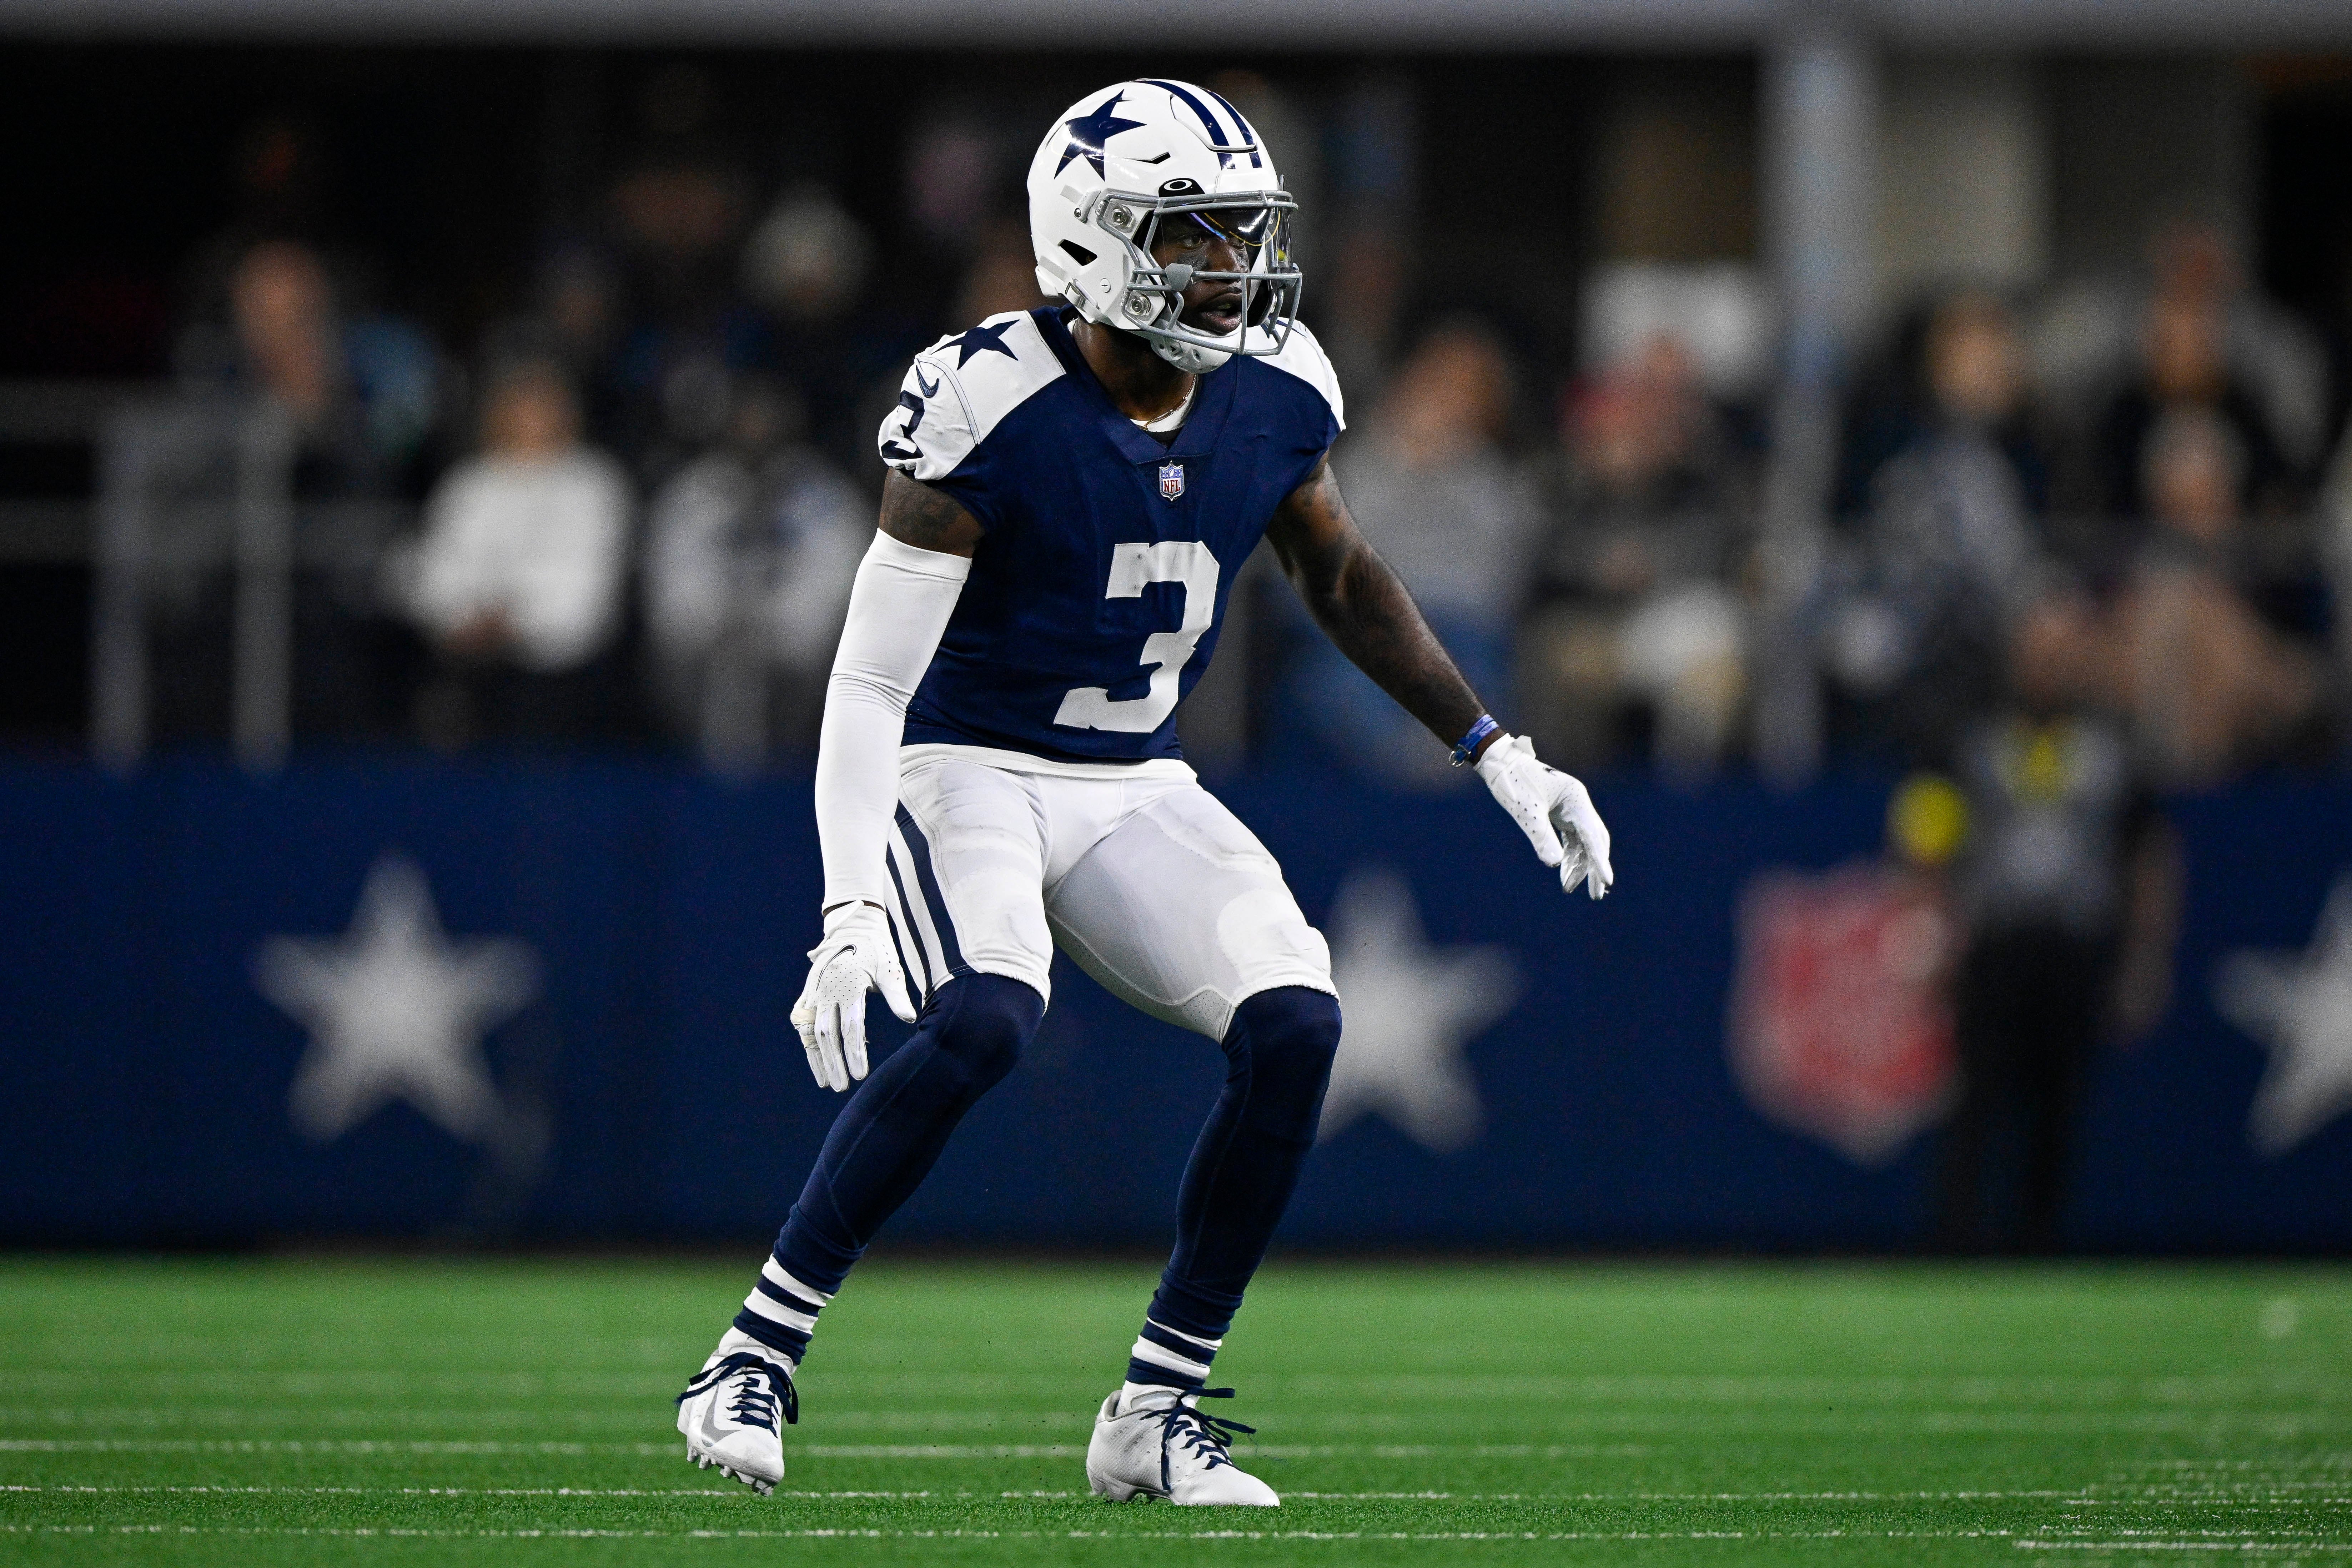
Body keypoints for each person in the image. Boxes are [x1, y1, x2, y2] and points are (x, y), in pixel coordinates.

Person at [671, 79, 1614, 1507]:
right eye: (1195, 238)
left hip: (1130, 777)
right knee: (991, 1008)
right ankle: (753, 1353)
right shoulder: (987, 397)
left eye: (1244, 236)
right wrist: (850, 894)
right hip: (967, 765)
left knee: (1299, 1023)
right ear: (1093, 243)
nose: (1233, 269)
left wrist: (1499, 750)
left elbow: (1342, 579)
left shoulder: (1281, 387)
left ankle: (1154, 1410)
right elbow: (867, 686)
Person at [404, 359, 633, 745]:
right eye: (520, 406)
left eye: (543, 406)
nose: (531, 418)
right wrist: (463, 619)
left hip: (562, 673)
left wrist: (515, 621)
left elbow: (587, 593)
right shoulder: (469, 484)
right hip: (470, 664)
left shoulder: (595, 485)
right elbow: (435, 573)